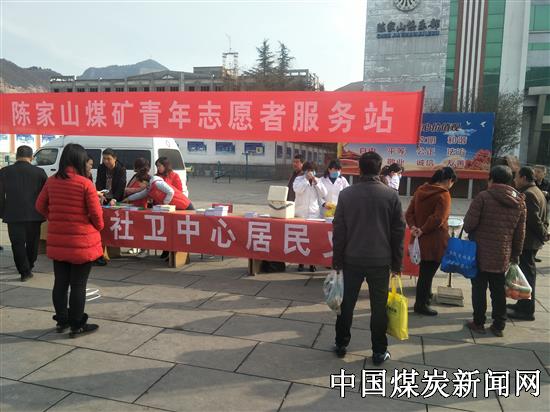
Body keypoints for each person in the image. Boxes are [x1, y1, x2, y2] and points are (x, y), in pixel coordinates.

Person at [333, 152, 405, 364]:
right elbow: (398, 233)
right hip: (380, 261)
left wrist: (337, 261)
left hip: (351, 259)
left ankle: (341, 343)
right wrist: (397, 264)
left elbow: (339, 231)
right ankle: (379, 351)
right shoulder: (391, 195)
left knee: (346, 305)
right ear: (380, 168)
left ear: (359, 169)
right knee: (378, 308)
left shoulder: (346, 194)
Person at [35, 143, 103, 337]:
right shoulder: (85, 183)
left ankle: (62, 321)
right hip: (81, 243)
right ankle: (76, 324)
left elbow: (39, 206)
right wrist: (98, 227)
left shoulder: (52, 181)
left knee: (60, 283)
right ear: (80, 160)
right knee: (78, 285)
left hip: (59, 241)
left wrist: (53, 217)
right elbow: (96, 214)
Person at [463, 165, 526, 337]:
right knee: (498, 290)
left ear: (491, 179)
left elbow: (468, 225)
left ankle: (478, 323)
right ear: (509, 180)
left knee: (479, 288)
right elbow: (520, 233)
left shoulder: (483, 197)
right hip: (502, 254)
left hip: (480, 253)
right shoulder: (520, 202)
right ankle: (499, 325)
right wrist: (516, 254)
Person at [405, 167, 457, 316]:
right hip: (435, 241)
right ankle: (421, 304)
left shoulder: (420, 190)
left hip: (418, 239)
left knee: (424, 272)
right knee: (427, 275)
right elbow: (439, 218)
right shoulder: (444, 194)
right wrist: (423, 229)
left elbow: (409, 213)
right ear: (449, 180)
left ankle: (426, 297)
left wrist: (414, 228)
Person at [0, 145, 47, 281]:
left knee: (17, 244)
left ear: (16, 156)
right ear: (31, 157)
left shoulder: (5, 171)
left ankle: (24, 271)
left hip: (13, 214)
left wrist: (2, 212)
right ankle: (29, 265)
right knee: (33, 243)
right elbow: (45, 194)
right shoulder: (40, 172)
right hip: (35, 214)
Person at [508, 167, 549, 321]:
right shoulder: (537, 191)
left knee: (527, 276)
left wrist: (543, 235)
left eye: (517, 177)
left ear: (524, 178)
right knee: (524, 274)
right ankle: (522, 304)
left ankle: (527, 310)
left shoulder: (529, 194)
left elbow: (534, 220)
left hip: (528, 242)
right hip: (531, 241)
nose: (515, 180)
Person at [293, 161, 327, 273]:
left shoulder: (318, 181)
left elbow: (324, 193)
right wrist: (306, 180)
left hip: (314, 214)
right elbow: (297, 190)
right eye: (308, 170)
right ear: (304, 171)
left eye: (312, 170)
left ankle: (312, 263)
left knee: (312, 240)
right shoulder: (299, 179)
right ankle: (301, 263)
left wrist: (316, 182)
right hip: (301, 213)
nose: (310, 172)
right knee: (301, 239)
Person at [95, 148, 126, 266]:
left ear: (115, 159)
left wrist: (115, 199)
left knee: (114, 224)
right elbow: (99, 182)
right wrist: (100, 194)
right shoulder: (101, 168)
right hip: (104, 197)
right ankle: (102, 251)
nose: (106, 161)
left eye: (108, 159)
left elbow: (121, 186)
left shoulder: (121, 169)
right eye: (104, 159)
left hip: (115, 199)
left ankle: (114, 251)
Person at [125, 158, 151, 258]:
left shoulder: (146, 178)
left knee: (142, 229)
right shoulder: (136, 176)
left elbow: (142, 190)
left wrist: (127, 190)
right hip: (132, 205)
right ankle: (135, 246)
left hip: (141, 205)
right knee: (134, 228)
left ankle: (144, 250)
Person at [124, 175, 193, 211]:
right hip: (174, 207)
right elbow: (139, 195)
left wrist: (165, 204)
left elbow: (170, 191)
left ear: (144, 182)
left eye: (139, 183)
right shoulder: (149, 188)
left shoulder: (157, 183)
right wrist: (127, 199)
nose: (139, 185)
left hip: (183, 204)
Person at [533, 165, 550, 263]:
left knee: (543, 230)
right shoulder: (532, 182)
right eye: (535, 171)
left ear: (544, 174)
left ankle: (534, 254)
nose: (536, 173)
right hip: (533, 208)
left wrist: (547, 194)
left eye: (538, 172)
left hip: (544, 209)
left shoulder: (547, 183)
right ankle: (530, 254)